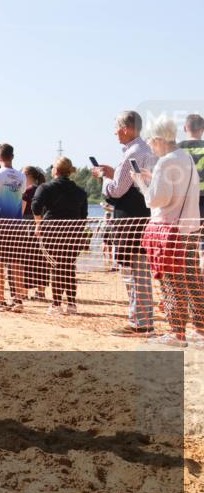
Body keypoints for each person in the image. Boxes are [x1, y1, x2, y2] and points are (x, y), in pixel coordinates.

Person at [134, 116, 202, 347]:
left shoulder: (165, 161)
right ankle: (200, 331)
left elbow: (156, 200)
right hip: (190, 227)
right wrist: (153, 179)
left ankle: (176, 333)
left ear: (159, 139)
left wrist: (141, 183)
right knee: (192, 279)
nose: (151, 146)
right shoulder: (186, 157)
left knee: (171, 282)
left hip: (170, 230)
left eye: (152, 142)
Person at [91, 110, 158, 336]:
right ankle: (142, 319)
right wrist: (114, 173)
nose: (115, 132)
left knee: (133, 272)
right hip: (143, 216)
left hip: (130, 219)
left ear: (126, 128)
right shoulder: (146, 150)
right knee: (140, 271)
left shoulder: (133, 153)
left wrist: (104, 177)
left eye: (117, 128)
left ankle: (139, 321)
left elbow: (117, 190)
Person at [32, 157, 89, 315]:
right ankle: (71, 304)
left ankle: (56, 304)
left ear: (55, 171)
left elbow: (35, 205)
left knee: (56, 266)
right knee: (69, 266)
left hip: (53, 231)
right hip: (74, 232)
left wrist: (38, 224)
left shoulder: (45, 188)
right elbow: (83, 216)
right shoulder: (80, 191)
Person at [0, 144, 27, 312]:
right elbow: (21, 200)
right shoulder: (22, 176)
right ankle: (18, 300)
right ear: (12, 156)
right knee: (16, 263)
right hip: (16, 225)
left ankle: (0, 301)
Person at [21, 166, 50, 300]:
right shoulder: (44, 189)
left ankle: (24, 292)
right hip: (43, 226)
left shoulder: (28, 191)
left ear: (28, 176)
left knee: (26, 259)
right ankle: (41, 292)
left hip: (28, 227)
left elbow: (21, 210)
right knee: (41, 259)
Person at [179, 113, 204, 218]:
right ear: (203, 129)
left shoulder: (174, 149)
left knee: (185, 234)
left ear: (185, 128)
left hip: (181, 201)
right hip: (202, 199)